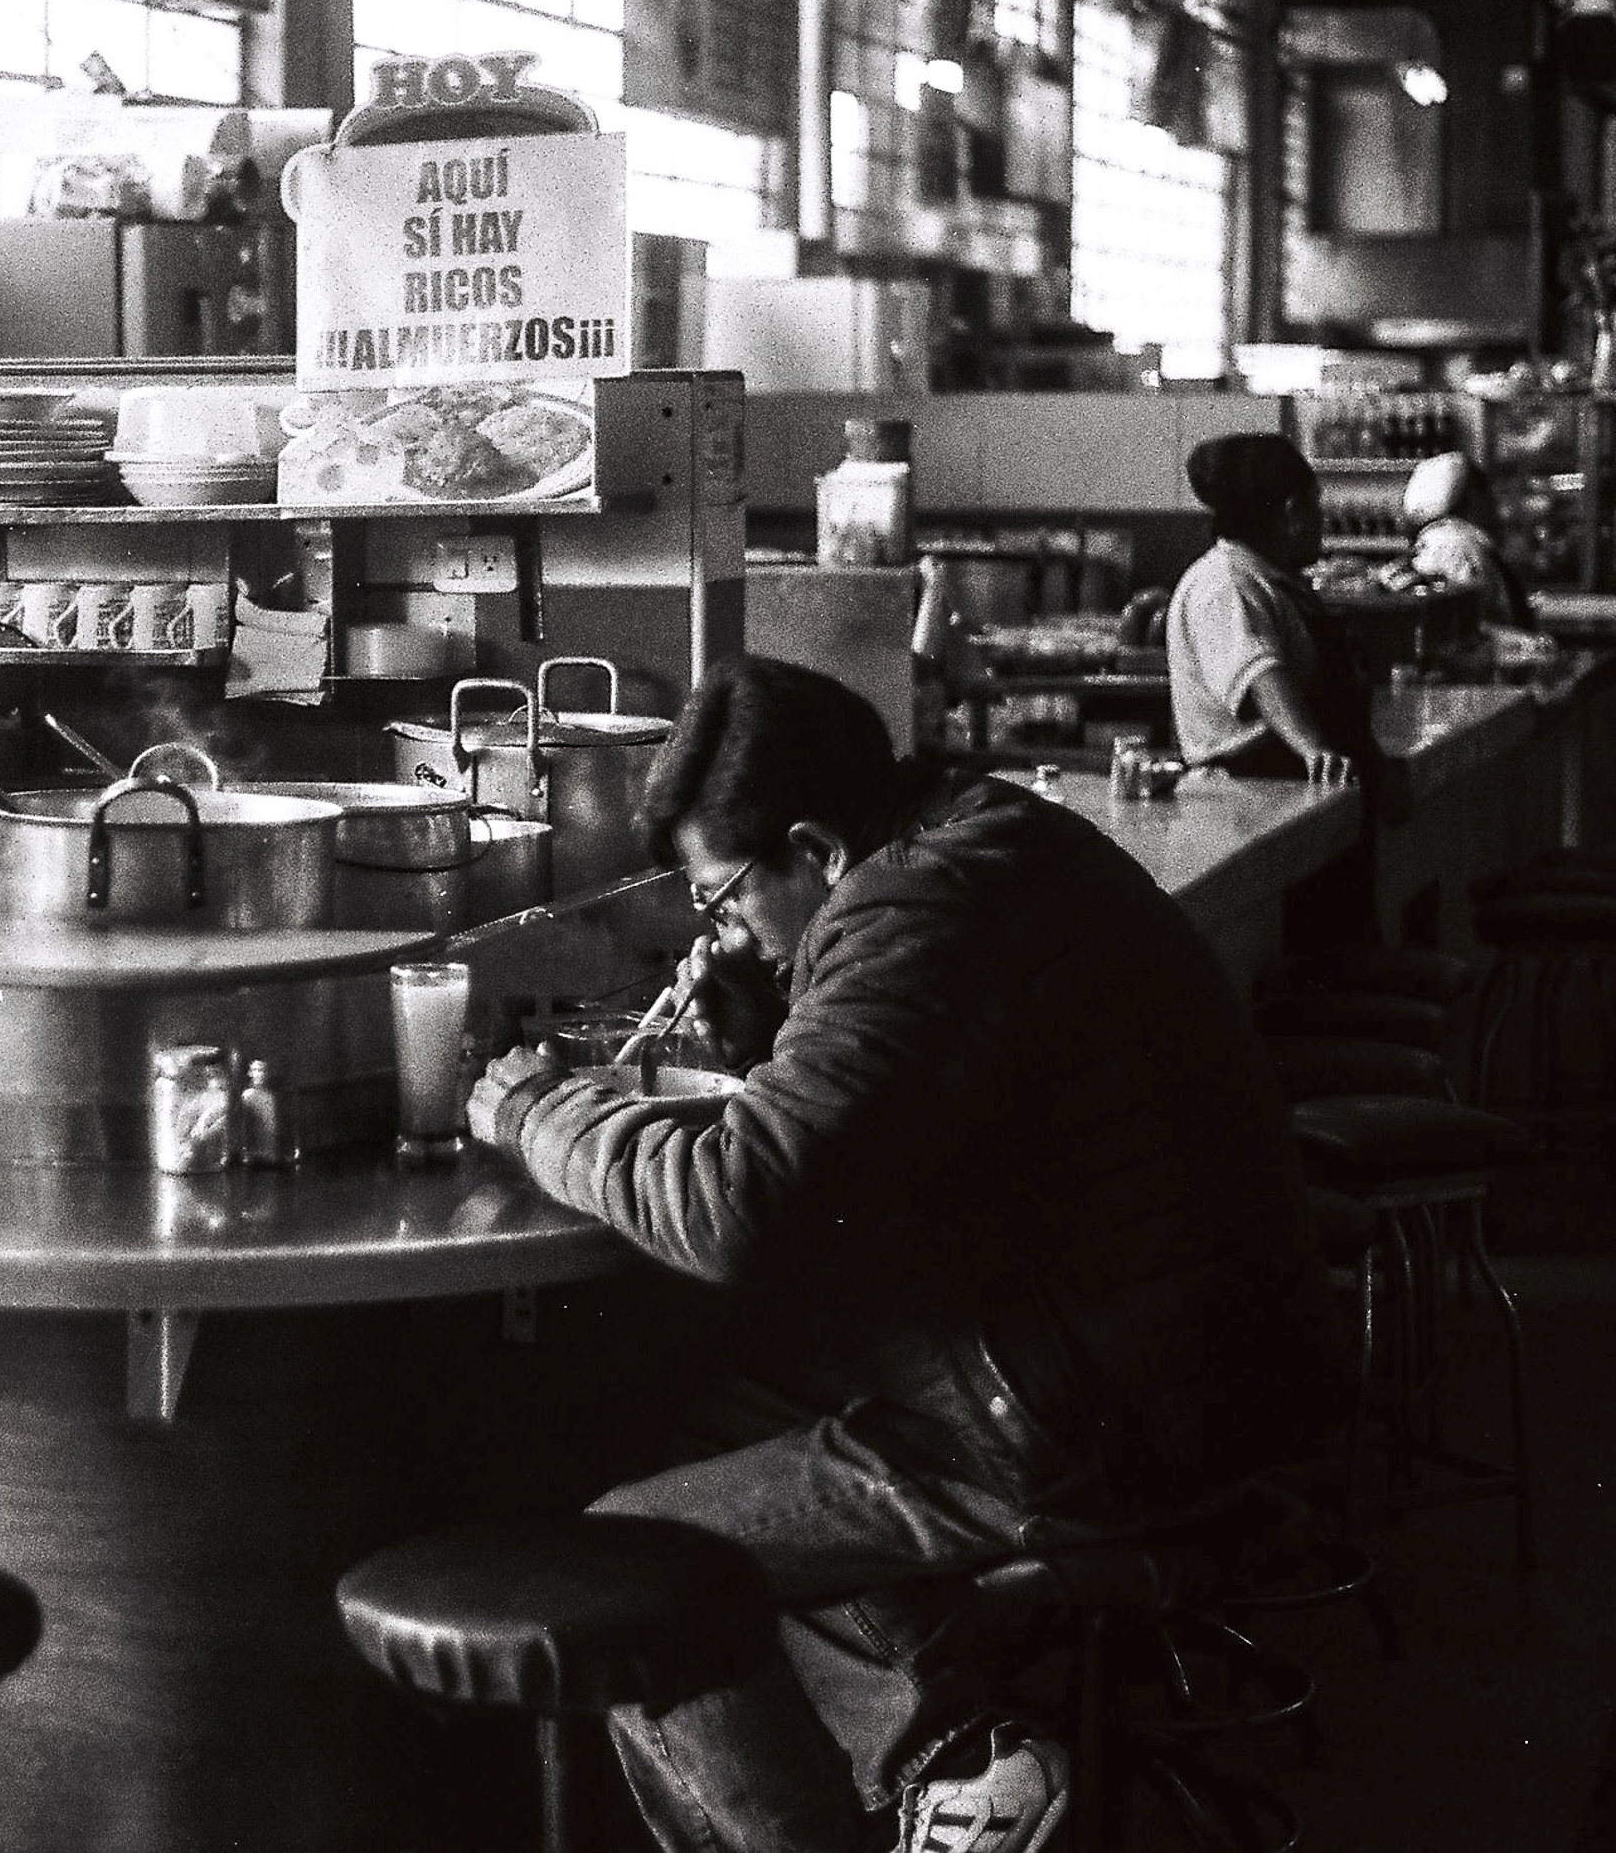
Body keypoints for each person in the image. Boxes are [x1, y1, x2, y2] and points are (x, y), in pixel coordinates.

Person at [465, 656, 1342, 1853]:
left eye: (725, 899)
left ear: (815, 846)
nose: (722, 930)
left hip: (1100, 1418)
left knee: (628, 1557)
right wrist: (780, 1018)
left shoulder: (913, 905)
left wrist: (538, 1113)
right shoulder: (984, 837)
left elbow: (735, 1208)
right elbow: (910, 1107)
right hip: (1176, 1360)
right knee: (703, 1429)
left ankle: (902, 1795)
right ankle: (961, 1754)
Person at [1165, 432, 1370, 783]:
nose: (1322, 519)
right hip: (1247, 792)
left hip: (1293, 780)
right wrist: (1313, 748)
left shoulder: (1273, 580)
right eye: (1315, 504)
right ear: (1293, 513)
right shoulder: (1226, 583)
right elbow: (1262, 679)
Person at [1400, 450, 1528, 628]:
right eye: (1486, 495)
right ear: (1471, 499)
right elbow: (1468, 625)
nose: (1495, 509)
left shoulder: (1442, 540)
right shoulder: (1454, 546)